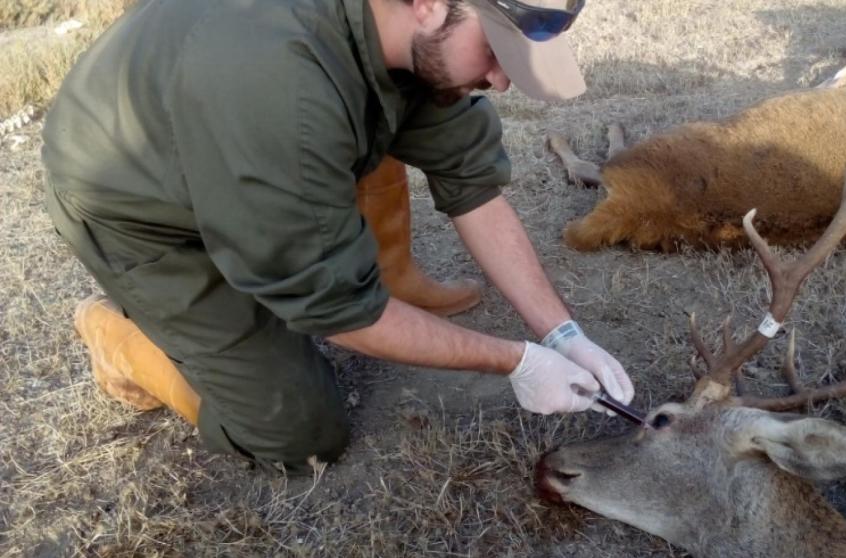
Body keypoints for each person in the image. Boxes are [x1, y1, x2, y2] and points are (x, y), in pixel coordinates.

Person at [42, 0, 634, 474]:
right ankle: (113, 336)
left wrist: (561, 333)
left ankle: (321, 261)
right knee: (298, 436)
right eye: (496, 51)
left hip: (242, 156)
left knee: (340, 151)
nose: (501, 80)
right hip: (143, 208)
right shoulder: (281, 86)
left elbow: (472, 182)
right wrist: (518, 362)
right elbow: (338, 311)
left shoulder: (413, 34)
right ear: (427, 4)